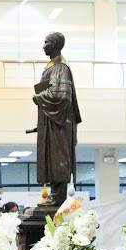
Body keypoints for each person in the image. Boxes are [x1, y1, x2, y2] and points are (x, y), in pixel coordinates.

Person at [32, 31, 83, 208]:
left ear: (54, 44)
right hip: (51, 121)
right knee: (50, 157)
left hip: (59, 122)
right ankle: (55, 194)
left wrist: (38, 97)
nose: (43, 46)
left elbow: (60, 95)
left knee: (57, 157)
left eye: (46, 42)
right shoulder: (52, 66)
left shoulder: (60, 67)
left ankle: (58, 196)